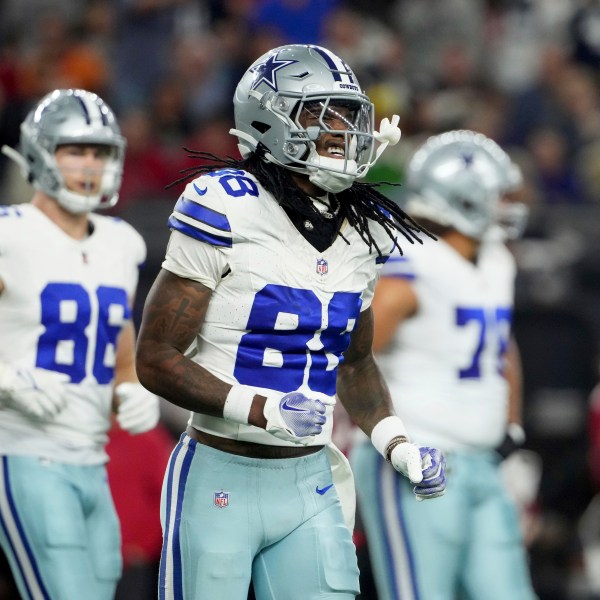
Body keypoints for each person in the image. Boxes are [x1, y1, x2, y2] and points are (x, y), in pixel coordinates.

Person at [134, 43, 447, 600]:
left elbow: (356, 362)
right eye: (320, 112)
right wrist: (261, 407)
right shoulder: (226, 203)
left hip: (310, 480)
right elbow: (155, 359)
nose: (341, 130)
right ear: (267, 118)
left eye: (348, 114)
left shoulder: (363, 229)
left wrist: (398, 443)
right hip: (220, 470)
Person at [350, 129, 537, 600]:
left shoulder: (494, 261)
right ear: (465, 198)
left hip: (482, 464)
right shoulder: (410, 267)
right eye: (499, 194)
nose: (509, 204)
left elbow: (501, 350)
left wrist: (510, 431)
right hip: (420, 461)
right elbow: (349, 358)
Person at [0, 88, 160, 600]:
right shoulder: (12, 235)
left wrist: (132, 388)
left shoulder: (120, 243)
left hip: (93, 460)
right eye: (76, 150)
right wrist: (5, 379)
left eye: (101, 151)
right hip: (24, 452)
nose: (91, 165)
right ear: (40, 153)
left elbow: (119, 348)